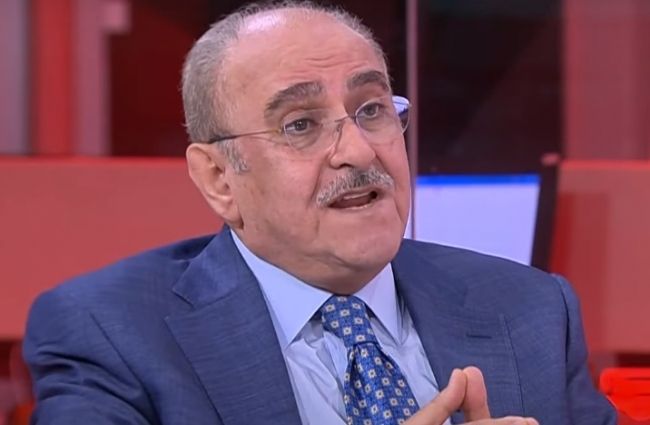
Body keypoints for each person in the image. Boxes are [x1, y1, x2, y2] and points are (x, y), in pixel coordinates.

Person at [23, 2, 616, 424]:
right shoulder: (110, 332)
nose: (359, 150)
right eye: (301, 125)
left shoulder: (530, 309)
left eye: (372, 109)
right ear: (220, 178)